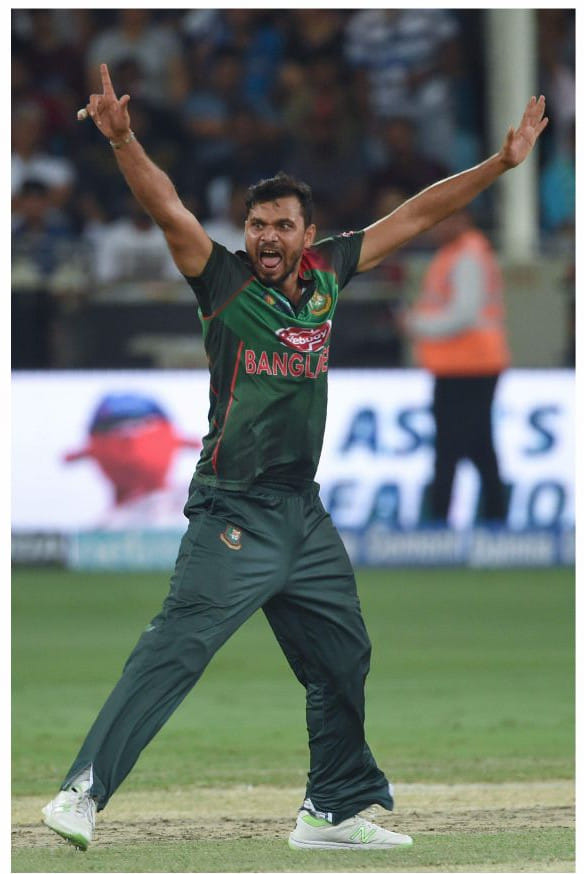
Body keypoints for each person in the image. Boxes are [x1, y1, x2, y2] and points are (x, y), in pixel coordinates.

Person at [42, 63, 547, 852]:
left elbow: (418, 215)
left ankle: (331, 811)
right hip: (234, 510)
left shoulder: (329, 274)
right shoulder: (221, 282)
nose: (268, 237)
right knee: (178, 647)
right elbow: (166, 207)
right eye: (258, 225)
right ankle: (82, 791)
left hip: (302, 516)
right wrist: (124, 141)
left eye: (282, 225)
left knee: (343, 654)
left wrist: (501, 165)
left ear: (308, 236)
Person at [401, 211, 510, 523]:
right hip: (464, 364)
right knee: (477, 445)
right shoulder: (458, 253)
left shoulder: (467, 256)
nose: (434, 229)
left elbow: (464, 313)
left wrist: (416, 324)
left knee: (452, 447)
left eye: (441, 221)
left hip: (469, 365)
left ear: (460, 220)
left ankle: (441, 520)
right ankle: (494, 516)